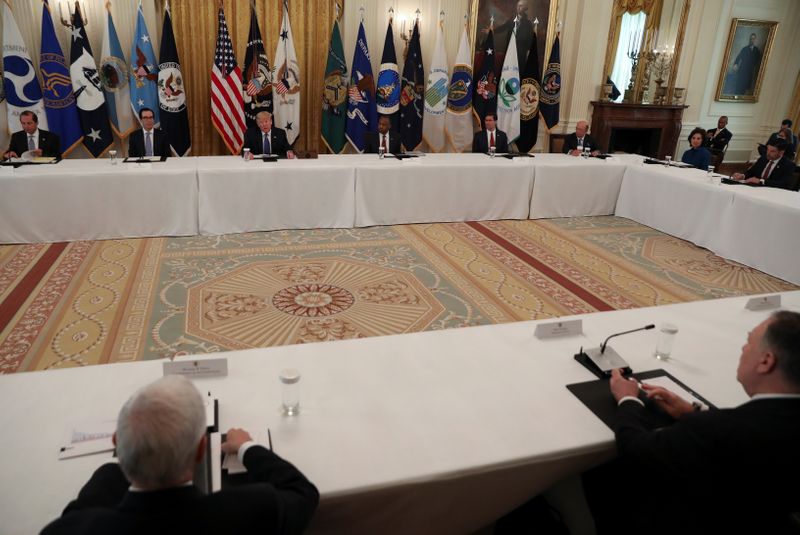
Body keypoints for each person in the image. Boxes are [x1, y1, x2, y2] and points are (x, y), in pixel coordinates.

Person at [585, 311, 800, 535]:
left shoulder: (715, 430)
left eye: (748, 342)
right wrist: (693, 412)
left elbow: (633, 449)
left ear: (766, 362)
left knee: (601, 471)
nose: (743, 348)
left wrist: (628, 399)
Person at [40, 375, 319, 535]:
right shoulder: (250, 510)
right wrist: (248, 448)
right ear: (200, 450)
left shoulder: (67, 531)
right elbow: (302, 492)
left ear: (117, 442)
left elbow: (79, 515)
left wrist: (117, 467)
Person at [494, 0, 534, 69]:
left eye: (521, 6)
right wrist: (492, 31)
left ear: (525, 8)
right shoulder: (512, 20)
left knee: (519, 70)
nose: (518, 8)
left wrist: (528, 51)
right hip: (510, 51)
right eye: (517, 6)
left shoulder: (528, 24)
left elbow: (530, 39)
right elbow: (503, 27)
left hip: (521, 54)